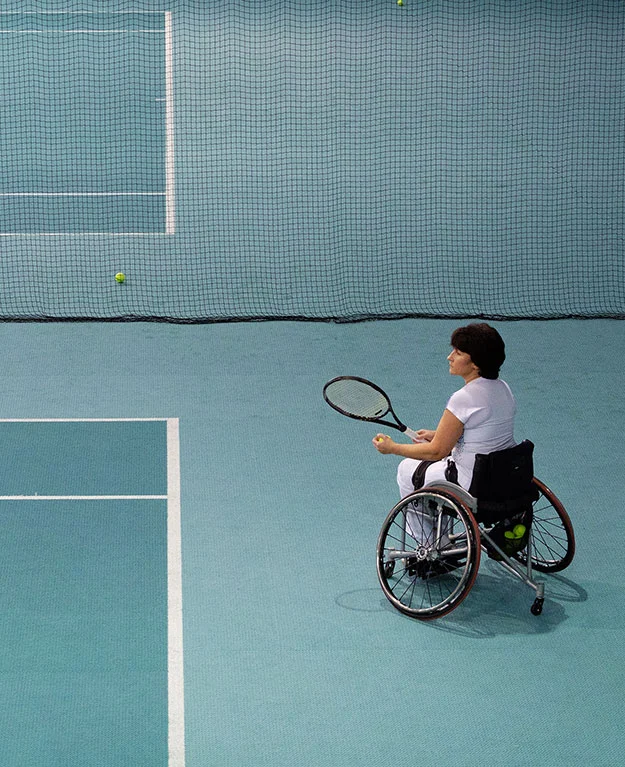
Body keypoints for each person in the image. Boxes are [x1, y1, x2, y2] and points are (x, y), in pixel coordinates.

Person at [372, 323, 516, 497]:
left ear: (476, 364)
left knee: (406, 469)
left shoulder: (464, 398)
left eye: (459, 353)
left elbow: (436, 451)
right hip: (505, 476)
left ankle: (418, 526)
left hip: (471, 482)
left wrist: (393, 447)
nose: (450, 357)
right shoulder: (503, 388)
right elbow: (485, 435)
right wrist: (439, 435)